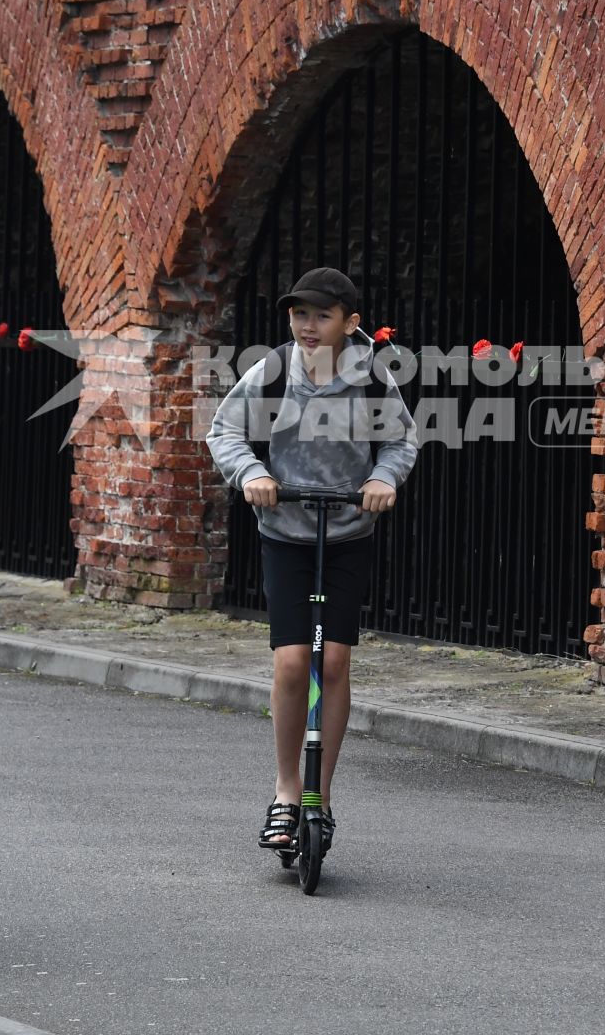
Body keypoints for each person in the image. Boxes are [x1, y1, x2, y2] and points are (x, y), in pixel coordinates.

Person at [206, 266, 418, 852]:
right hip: (286, 533)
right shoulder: (272, 371)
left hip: (347, 532)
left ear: (351, 323)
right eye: (300, 313)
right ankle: (285, 790)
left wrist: (381, 478)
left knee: (336, 661)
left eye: (322, 315)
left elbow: (401, 441)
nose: (307, 325)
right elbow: (224, 431)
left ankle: (319, 796)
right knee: (295, 661)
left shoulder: (374, 376)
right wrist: (252, 472)